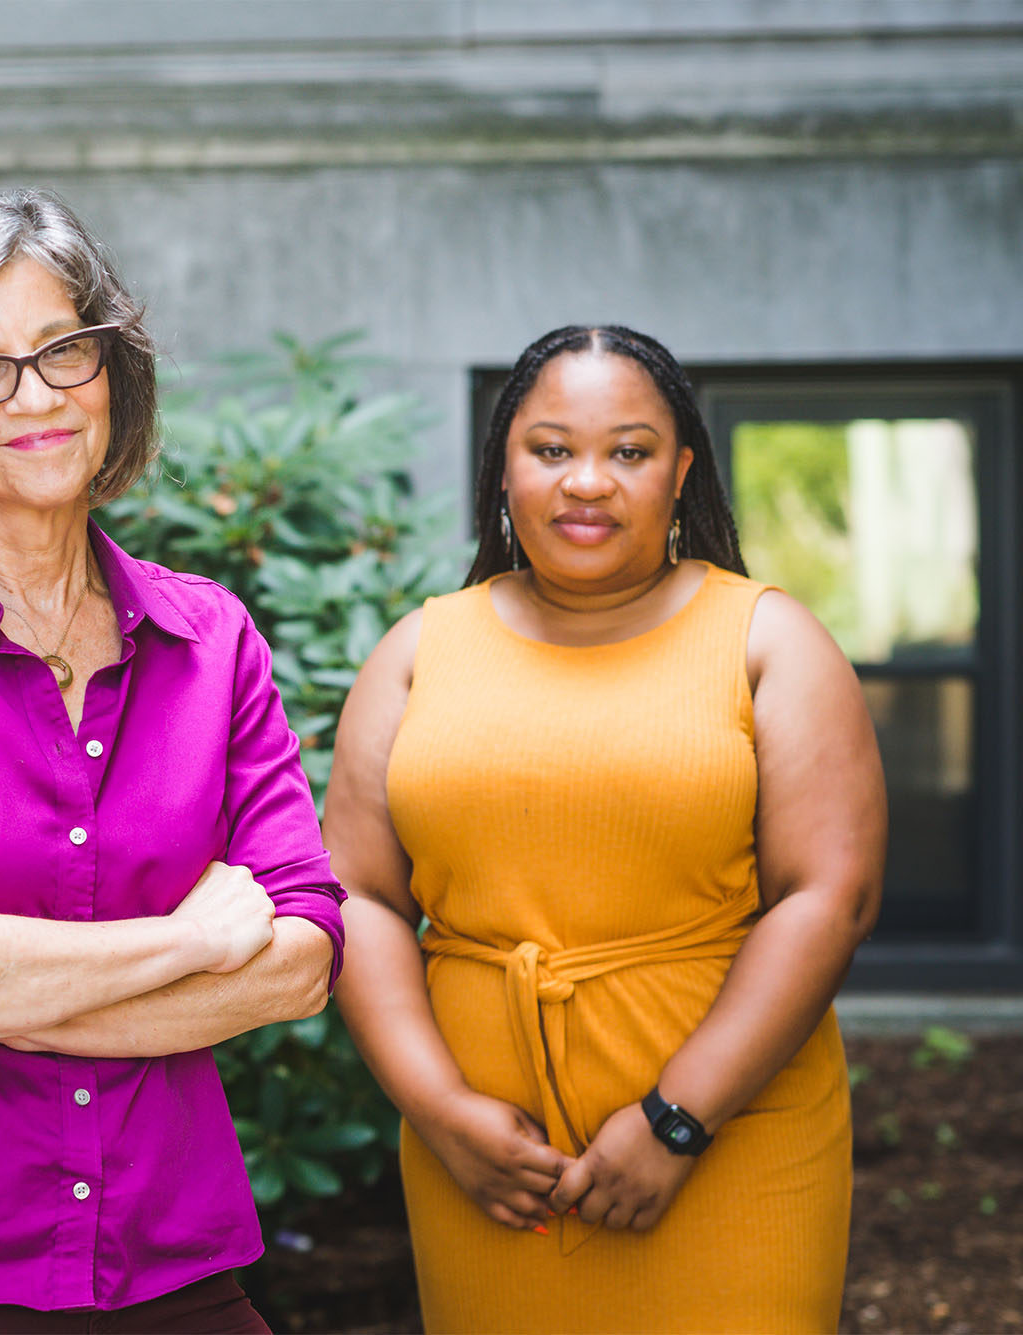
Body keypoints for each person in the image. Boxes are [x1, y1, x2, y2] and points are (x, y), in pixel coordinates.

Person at [0, 190, 346, 1333]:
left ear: (111, 372)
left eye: (62, 353)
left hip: (171, 1262)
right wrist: (190, 946)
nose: (33, 398)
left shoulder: (209, 638)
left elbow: (298, 963)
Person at [324, 325, 886, 1332]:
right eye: (550, 449)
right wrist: (439, 1112)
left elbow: (827, 897)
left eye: (626, 451)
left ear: (678, 473)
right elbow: (355, 896)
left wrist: (674, 1121)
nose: (587, 481)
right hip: (490, 1169)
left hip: (734, 1137)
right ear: (503, 466)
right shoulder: (419, 651)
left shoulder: (765, 639)